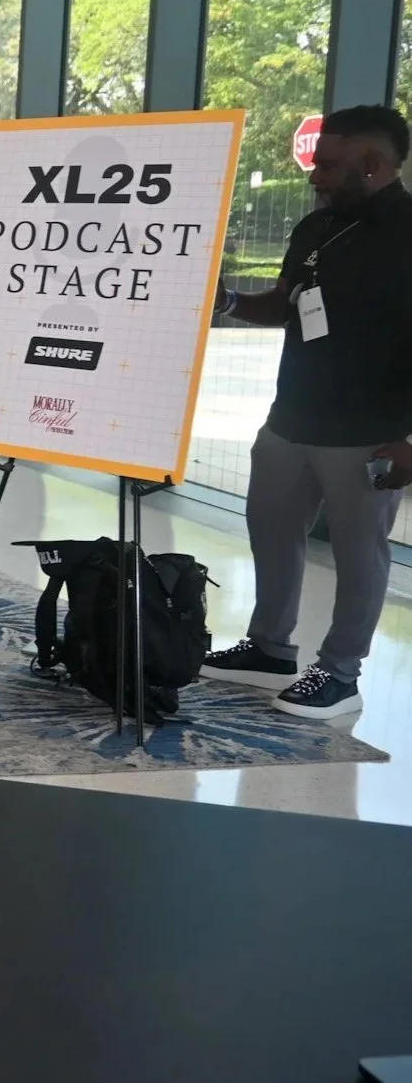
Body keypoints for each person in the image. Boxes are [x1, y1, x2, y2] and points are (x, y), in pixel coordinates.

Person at [202, 104, 412, 720]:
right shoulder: (316, 228)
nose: (315, 175)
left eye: (328, 164)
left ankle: (341, 674)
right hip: (288, 421)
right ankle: (269, 650)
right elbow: (291, 305)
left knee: (358, 556)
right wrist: (231, 302)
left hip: (367, 435)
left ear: (373, 164)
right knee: (270, 535)